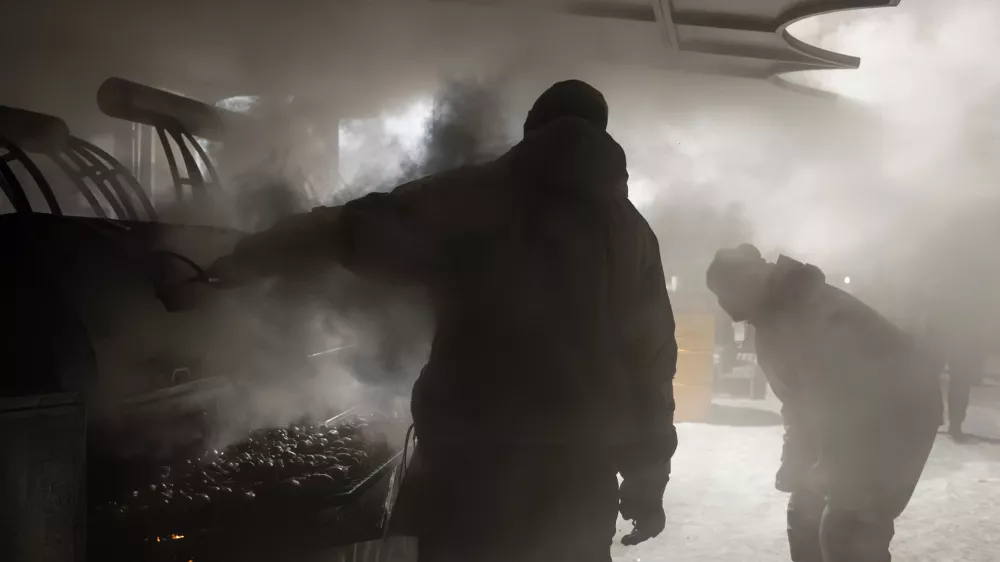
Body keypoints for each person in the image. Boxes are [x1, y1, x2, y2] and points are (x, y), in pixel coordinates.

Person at [209, 80, 678, 562]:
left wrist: (235, 262)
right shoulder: (635, 236)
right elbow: (652, 364)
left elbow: (347, 231)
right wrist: (647, 483)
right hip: (579, 476)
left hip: (469, 470)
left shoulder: (472, 195)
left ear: (531, 130)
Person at [706, 245, 941, 562]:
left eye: (729, 294)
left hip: (899, 414)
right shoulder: (771, 320)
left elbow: (841, 395)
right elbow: (797, 402)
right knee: (805, 514)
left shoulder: (813, 310)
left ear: (752, 279)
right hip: (852, 419)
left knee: (849, 528)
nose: (728, 308)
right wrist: (796, 458)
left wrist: (829, 462)